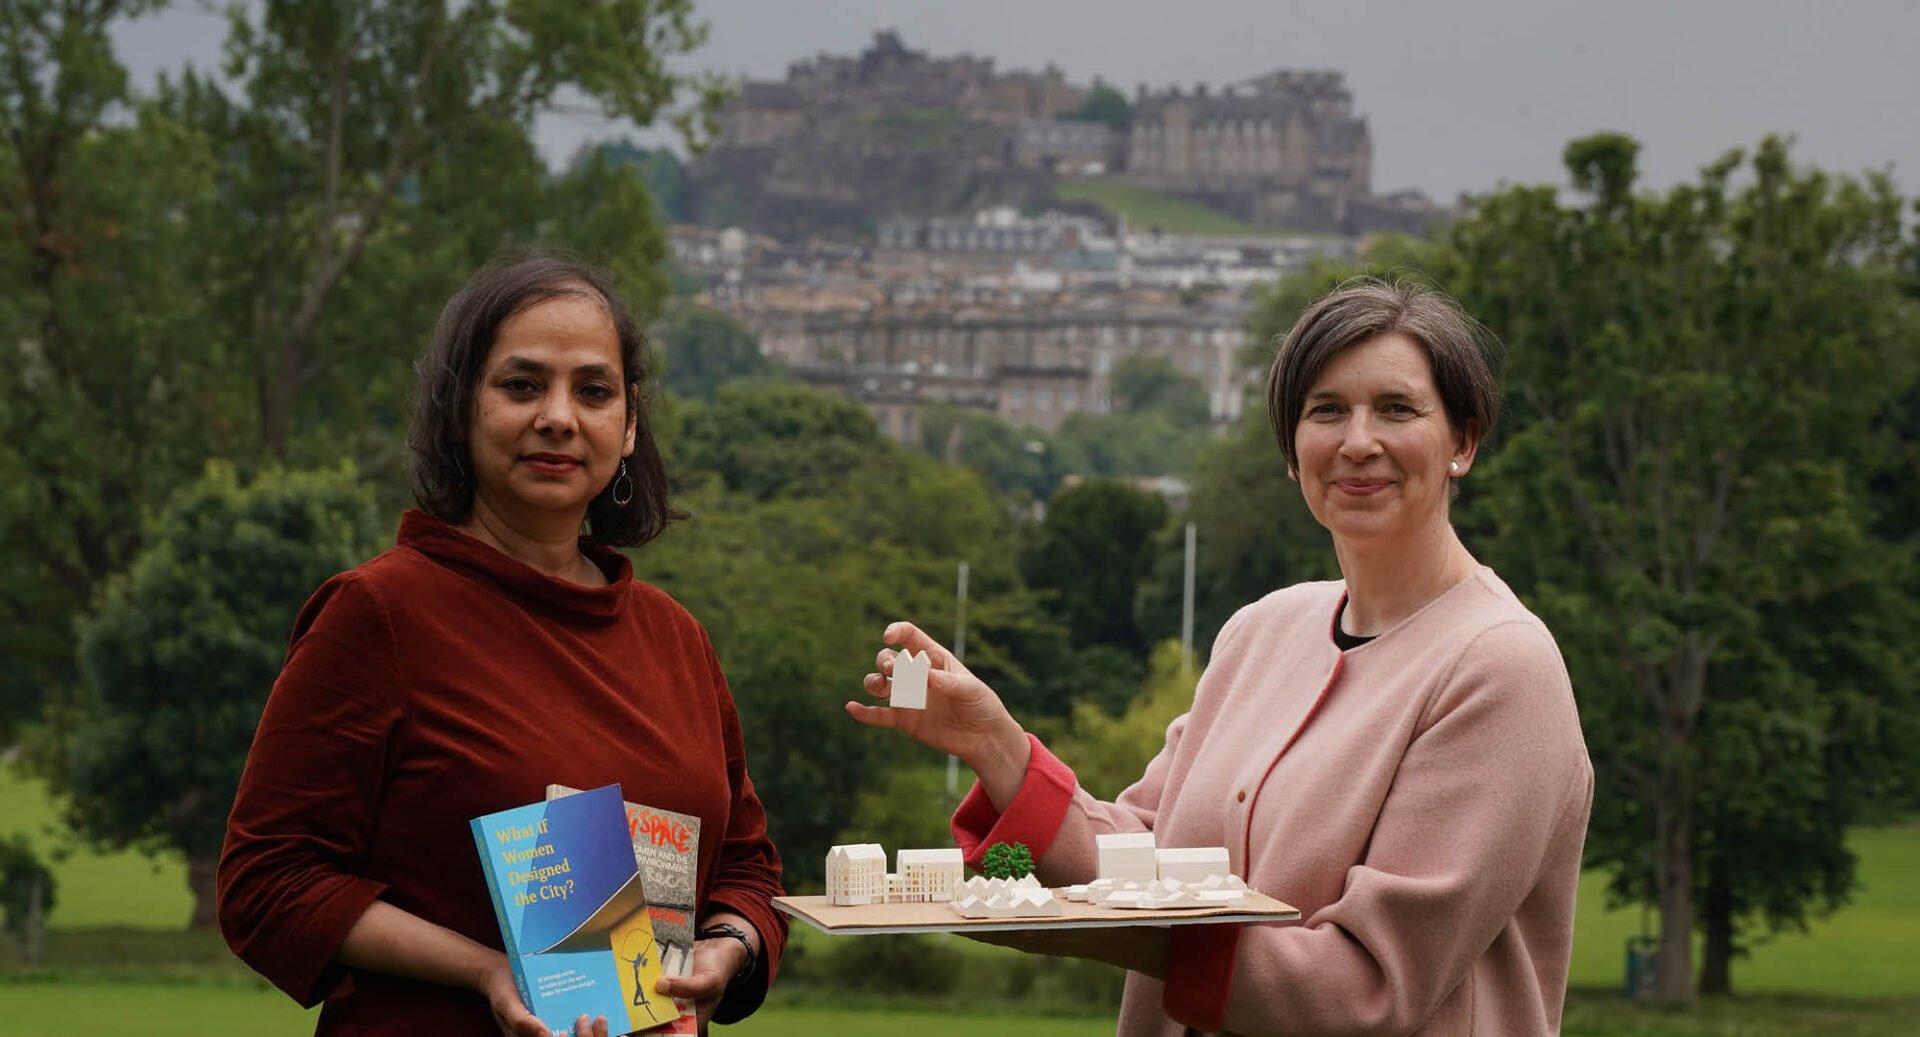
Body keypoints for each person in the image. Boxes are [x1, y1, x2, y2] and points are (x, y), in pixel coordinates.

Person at [849, 279, 1593, 1036]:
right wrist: (996, 745)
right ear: (1291, 449)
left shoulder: (1500, 667)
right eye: (1326, 410)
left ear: (1463, 441)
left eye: (1397, 409)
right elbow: (1143, 856)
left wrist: (1120, 930)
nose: (1358, 440)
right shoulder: (1261, 632)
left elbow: (1366, 985)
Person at [219, 255, 786, 1036]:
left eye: (593, 390)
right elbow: (269, 883)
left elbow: (748, 869)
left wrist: (729, 945)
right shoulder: (379, 613)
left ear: (626, 430)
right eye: (522, 385)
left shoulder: (674, 637)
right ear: (460, 411)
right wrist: (487, 968)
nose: (558, 415)